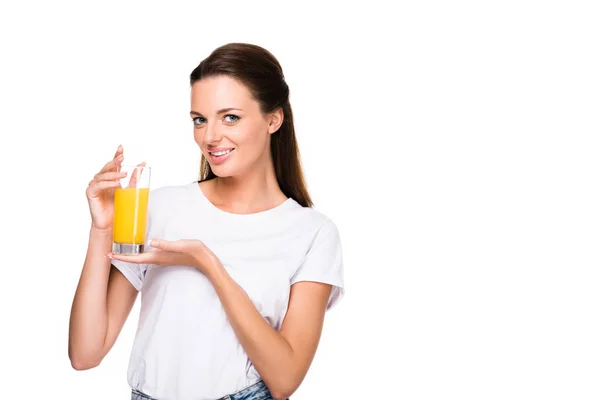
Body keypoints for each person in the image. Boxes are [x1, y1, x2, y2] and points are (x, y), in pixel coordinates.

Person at [68, 43, 345, 400]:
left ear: (273, 119)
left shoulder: (312, 233)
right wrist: (101, 231)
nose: (210, 136)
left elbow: (285, 378)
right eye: (200, 119)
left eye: (230, 117)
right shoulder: (158, 208)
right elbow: (85, 354)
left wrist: (207, 263)